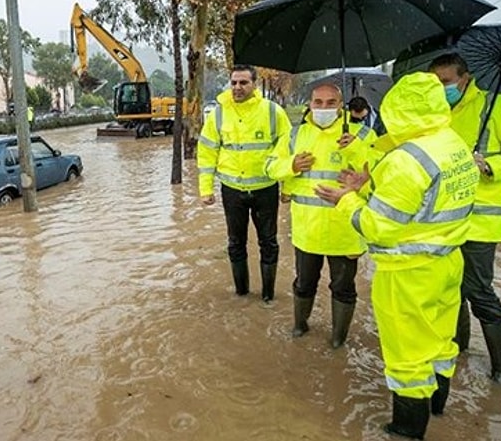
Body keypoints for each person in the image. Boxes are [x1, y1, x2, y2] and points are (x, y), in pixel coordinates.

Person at [316, 72, 479, 439]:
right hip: (447, 263)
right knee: (440, 344)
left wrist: (347, 200)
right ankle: (438, 411)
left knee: (407, 359)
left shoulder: (406, 160)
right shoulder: (452, 143)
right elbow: (424, 205)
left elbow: (377, 226)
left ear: (398, 110)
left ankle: (406, 430)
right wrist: (367, 186)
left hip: (408, 274)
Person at [429, 53, 501, 384]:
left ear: (465, 78)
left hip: (480, 222)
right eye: (435, 83)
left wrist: (491, 164)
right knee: (450, 289)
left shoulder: (500, 107)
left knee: (478, 291)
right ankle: (458, 352)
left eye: (446, 82)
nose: (441, 89)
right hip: (441, 220)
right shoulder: (435, 112)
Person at [265, 83, 376, 346]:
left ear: (341, 106)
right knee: (304, 283)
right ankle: (300, 326)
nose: (323, 108)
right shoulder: (295, 135)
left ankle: (338, 339)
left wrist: (356, 149)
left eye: (330, 103)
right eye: (318, 102)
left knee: (344, 288)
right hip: (307, 229)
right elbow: (269, 166)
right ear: (309, 105)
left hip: (345, 230)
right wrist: (291, 165)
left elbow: (379, 177)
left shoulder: (363, 135)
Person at [197, 64, 292, 302]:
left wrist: (287, 187)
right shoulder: (218, 114)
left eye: (243, 82)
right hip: (232, 191)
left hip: (265, 190)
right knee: (235, 243)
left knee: (268, 243)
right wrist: (205, 188)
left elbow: (287, 150)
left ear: (254, 84)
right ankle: (242, 293)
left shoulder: (272, 112)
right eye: (234, 83)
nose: (237, 87)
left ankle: (268, 296)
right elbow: (207, 151)